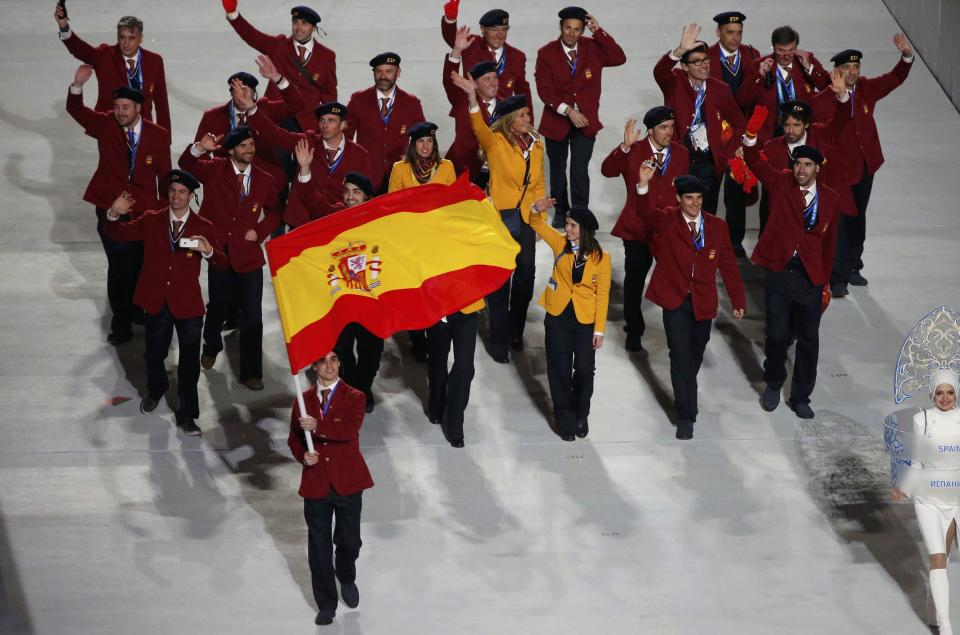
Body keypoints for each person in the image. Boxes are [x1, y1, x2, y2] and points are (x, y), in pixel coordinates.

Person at [102, 170, 226, 436]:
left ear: (192, 196)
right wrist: (113, 213)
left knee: (189, 362)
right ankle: (155, 390)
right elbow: (119, 235)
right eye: (172, 191)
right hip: (157, 302)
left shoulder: (204, 226)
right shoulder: (151, 220)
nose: (176, 196)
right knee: (154, 355)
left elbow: (222, 263)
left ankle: (187, 414)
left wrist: (210, 252)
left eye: (182, 192)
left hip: (188, 305)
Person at [741, 108, 841, 420]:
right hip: (780, 273)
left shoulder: (831, 199)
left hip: (810, 278)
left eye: (807, 165)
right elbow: (755, 160)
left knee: (809, 340)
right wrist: (751, 136)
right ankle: (773, 382)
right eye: (797, 163)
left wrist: (823, 280)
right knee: (777, 334)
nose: (800, 169)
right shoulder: (781, 182)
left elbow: (830, 243)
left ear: (817, 169)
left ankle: (801, 396)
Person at [635, 170, 745, 440]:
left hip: (703, 302)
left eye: (698, 198)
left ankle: (685, 390)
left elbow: (729, 266)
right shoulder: (668, 220)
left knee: (693, 355)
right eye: (689, 199)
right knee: (681, 356)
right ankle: (686, 414)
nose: (695, 204)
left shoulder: (717, 227)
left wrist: (738, 300)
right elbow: (646, 213)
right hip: (675, 299)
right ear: (679, 199)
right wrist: (643, 185)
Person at [66, 65, 172, 345]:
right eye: (116, 107)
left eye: (125, 107)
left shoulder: (158, 136)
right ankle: (121, 324)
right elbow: (77, 112)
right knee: (119, 263)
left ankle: (137, 311)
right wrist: (77, 85)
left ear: (138, 108)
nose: (120, 112)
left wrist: (164, 216)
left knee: (140, 263)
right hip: (108, 207)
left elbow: (164, 177)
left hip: (144, 212)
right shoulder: (105, 124)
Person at [450, 70, 545, 362]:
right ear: (509, 121)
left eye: (528, 114)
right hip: (501, 218)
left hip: (527, 218)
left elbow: (539, 182)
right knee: (501, 279)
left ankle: (515, 329)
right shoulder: (496, 143)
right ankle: (500, 340)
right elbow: (478, 127)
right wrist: (470, 96)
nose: (528, 119)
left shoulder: (537, 144)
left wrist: (540, 212)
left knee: (526, 276)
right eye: (522, 116)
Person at [179, 126, 281, 391]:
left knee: (253, 316)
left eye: (252, 145)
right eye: (244, 145)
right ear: (232, 149)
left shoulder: (265, 179)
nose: (250, 149)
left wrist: (258, 231)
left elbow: (274, 213)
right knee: (218, 306)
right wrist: (200, 147)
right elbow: (186, 164)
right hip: (220, 254)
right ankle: (211, 345)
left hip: (249, 257)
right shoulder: (214, 169)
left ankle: (252, 372)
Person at [289, 151, 385, 414]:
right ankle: (352, 389)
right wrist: (305, 170)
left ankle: (362, 388)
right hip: (340, 300)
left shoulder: (380, 221)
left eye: (356, 192)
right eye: (347, 192)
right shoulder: (334, 215)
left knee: (372, 352)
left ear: (367, 196)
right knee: (342, 351)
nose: (350, 197)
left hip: (369, 301)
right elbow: (312, 200)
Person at [289, 351, 374, 627]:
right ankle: (326, 603)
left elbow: (348, 430)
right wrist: (304, 455)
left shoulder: (355, 397)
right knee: (319, 547)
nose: (330, 365)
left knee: (349, 542)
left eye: (335, 359)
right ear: (314, 366)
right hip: (317, 482)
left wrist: (317, 427)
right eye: (324, 361)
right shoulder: (301, 401)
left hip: (348, 481)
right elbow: (294, 438)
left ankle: (346, 575)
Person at [758, 73, 857, 297]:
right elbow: (759, 167)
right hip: (785, 213)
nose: (791, 130)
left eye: (797, 125)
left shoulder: (822, 135)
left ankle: (834, 281)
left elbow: (841, 121)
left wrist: (842, 96)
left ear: (807, 124)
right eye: (787, 124)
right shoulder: (773, 147)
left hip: (818, 207)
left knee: (828, 243)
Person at [601, 106, 689, 352]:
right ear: (650, 130)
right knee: (635, 281)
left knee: (675, 280)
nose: (669, 132)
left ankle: (677, 331)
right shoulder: (635, 150)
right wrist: (625, 147)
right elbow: (607, 170)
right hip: (637, 229)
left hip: (668, 229)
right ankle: (634, 330)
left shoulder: (681, 153)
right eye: (663, 128)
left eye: (671, 127)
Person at [831, 34, 914, 287]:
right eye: (847, 67)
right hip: (842, 169)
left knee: (858, 218)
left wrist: (906, 56)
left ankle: (854, 266)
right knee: (840, 220)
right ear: (838, 71)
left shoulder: (867, 88)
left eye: (856, 67)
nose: (853, 72)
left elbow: (894, 79)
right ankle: (838, 276)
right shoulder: (830, 94)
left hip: (866, 167)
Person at [535, 6, 626, 228]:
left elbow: (619, 57)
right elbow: (544, 90)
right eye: (567, 28)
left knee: (579, 170)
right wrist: (568, 110)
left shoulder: (593, 48)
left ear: (583, 30)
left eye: (577, 29)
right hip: (557, 121)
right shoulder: (546, 53)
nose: (571, 33)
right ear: (560, 27)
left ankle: (580, 211)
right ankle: (560, 209)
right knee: (557, 170)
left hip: (585, 123)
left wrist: (599, 31)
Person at [525, 204, 609, 441]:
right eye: (568, 224)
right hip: (558, 316)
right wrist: (535, 209)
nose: (567, 228)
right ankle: (565, 419)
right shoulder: (558, 242)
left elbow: (602, 295)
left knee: (584, 370)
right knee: (558, 370)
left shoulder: (601, 259)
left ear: (584, 231)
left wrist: (600, 330)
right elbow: (535, 223)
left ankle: (581, 414)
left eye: (573, 225)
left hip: (585, 321)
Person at [892, 369, 960, 635]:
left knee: (946, 554)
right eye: (940, 393)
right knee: (938, 558)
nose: (945, 398)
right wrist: (904, 487)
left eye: (950, 392)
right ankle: (946, 626)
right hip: (929, 498)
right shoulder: (922, 420)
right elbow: (918, 461)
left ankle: (933, 609)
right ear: (932, 394)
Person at [653, 24, 745, 219]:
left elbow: (739, 124)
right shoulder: (675, 82)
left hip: (707, 163)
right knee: (674, 213)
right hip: (678, 158)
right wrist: (680, 50)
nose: (703, 65)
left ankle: (702, 249)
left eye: (705, 60)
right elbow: (659, 72)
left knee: (705, 214)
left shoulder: (720, 89)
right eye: (696, 62)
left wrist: (727, 153)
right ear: (685, 66)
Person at [192, 57, 303, 209]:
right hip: (228, 185)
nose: (241, 94)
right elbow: (200, 157)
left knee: (276, 225)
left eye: (245, 90)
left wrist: (277, 79)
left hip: (268, 183)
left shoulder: (265, 109)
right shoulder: (213, 117)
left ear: (254, 93)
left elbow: (296, 105)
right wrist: (215, 180)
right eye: (236, 90)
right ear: (231, 92)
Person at [246, 100, 373, 228]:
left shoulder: (360, 155)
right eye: (322, 120)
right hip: (301, 223)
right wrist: (252, 109)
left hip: (336, 224)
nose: (325, 125)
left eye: (331, 120)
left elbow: (365, 195)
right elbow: (274, 135)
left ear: (343, 125)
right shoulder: (308, 142)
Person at [222, 2, 337, 135]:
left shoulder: (327, 56)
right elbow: (252, 36)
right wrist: (233, 14)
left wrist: (330, 123)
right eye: (295, 22)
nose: (298, 28)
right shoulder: (279, 46)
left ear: (314, 28)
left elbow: (329, 94)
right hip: (275, 119)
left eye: (304, 23)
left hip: (306, 124)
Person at [56, 7, 171, 134]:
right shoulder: (105, 55)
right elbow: (81, 50)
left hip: (143, 134)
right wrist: (64, 26)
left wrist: (165, 142)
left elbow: (162, 106)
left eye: (131, 38)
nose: (126, 43)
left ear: (140, 38)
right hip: (111, 132)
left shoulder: (154, 61)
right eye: (122, 37)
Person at [708, 11, 761, 256]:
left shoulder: (752, 56)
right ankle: (705, 237)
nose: (735, 38)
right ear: (719, 32)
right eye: (730, 33)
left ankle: (733, 241)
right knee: (708, 188)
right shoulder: (705, 57)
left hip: (740, 133)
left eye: (739, 33)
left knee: (735, 189)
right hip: (712, 132)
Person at [345, 53, 426, 192]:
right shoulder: (358, 100)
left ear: (398, 73)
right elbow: (344, 137)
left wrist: (412, 156)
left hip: (400, 176)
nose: (383, 76)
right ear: (373, 73)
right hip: (367, 176)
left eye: (388, 71)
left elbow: (422, 138)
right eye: (378, 71)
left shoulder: (412, 103)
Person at [440, 3, 531, 109]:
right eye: (494, 30)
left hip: (501, 120)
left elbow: (523, 93)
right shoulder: (472, 45)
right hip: (471, 113)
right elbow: (453, 39)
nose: (500, 35)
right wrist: (450, 20)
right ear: (483, 30)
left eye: (504, 29)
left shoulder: (517, 57)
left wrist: (528, 123)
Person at [443, 28, 500, 186]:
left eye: (495, 78)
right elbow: (449, 80)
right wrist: (457, 50)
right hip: (462, 173)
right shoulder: (463, 101)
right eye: (486, 79)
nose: (493, 83)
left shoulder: (507, 107)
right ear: (474, 83)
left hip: (496, 178)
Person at [387, 122, 457, 191]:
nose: (425, 145)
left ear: (434, 143)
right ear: (413, 144)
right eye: (421, 141)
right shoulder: (399, 168)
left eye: (429, 141)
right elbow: (393, 200)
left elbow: (453, 198)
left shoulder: (447, 166)